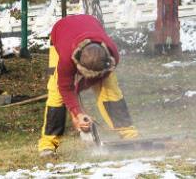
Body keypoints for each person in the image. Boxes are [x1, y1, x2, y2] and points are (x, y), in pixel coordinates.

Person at [38, 15, 138, 157]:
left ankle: (130, 136)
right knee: (56, 93)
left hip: (88, 26)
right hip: (60, 32)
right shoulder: (67, 58)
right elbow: (65, 87)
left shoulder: (112, 54)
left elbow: (98, 78)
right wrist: (77, 113)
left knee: (111, 91)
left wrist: (77, 99)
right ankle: (47, 145)